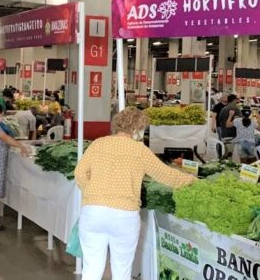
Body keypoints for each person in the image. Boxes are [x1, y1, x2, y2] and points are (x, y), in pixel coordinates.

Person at [74, 108, 196, 280]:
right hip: (124, 215)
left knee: (91, 268)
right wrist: (191, 180)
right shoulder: (140, 150)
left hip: (93, 211)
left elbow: (79, 173)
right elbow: (166, 175)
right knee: (122, 269)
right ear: (137, 128)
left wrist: (92, 192)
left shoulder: (98, 143)